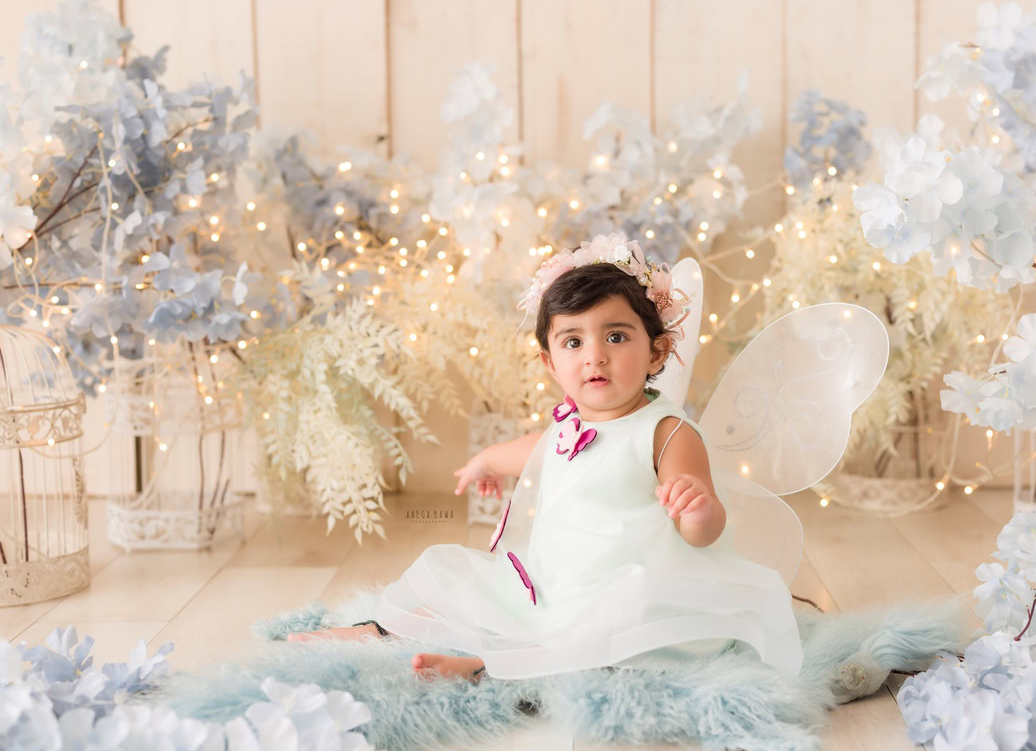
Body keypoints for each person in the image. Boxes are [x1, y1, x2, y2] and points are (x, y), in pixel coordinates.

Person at [289, 233, 808, 684]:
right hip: (554, 582)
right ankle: (376, 631)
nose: (594, 355)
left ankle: (486, 668)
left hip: (629, 585)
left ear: (656, 351)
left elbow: (707, 530)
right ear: (550, 360)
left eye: (616, 336)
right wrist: (487, 460)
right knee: (459, 582)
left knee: (615, 635)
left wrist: (697, 510)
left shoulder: (665, 431)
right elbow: (538, 450)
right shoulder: (570, 422)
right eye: (574, 341)